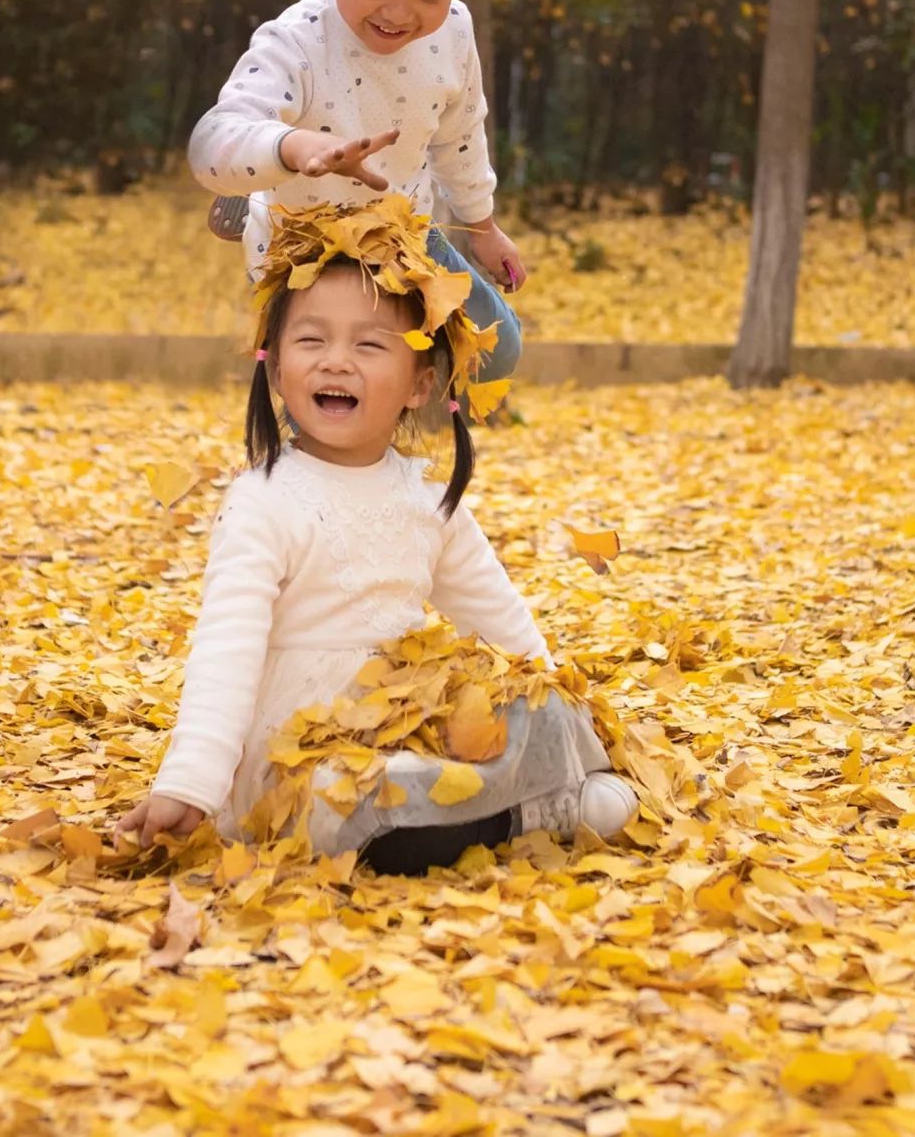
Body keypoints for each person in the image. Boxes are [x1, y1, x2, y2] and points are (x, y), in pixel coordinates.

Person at [116, 198, 637, 875]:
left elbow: (500, 616)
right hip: (306, 752)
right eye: (311, 340)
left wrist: (558, 708)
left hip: (407, 716)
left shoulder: (426, 499)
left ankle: (533, 794)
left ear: (421, 382)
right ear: (275, 369)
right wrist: (189, 782)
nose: (336, 362)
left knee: (536, 706)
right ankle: (525, 815)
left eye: (367, 344)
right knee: (357, 799)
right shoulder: (264, 501)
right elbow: (226, 649)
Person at [188, 0, 523, 382]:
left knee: (496, 352)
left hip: (402, 229)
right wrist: (295, 148)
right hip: (304, 250)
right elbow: (211, 144)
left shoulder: (455, 29)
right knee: (330, 396)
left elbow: (459, 132)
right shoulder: (294, 42)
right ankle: (251, 196)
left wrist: (481, 225)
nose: (399, 12)